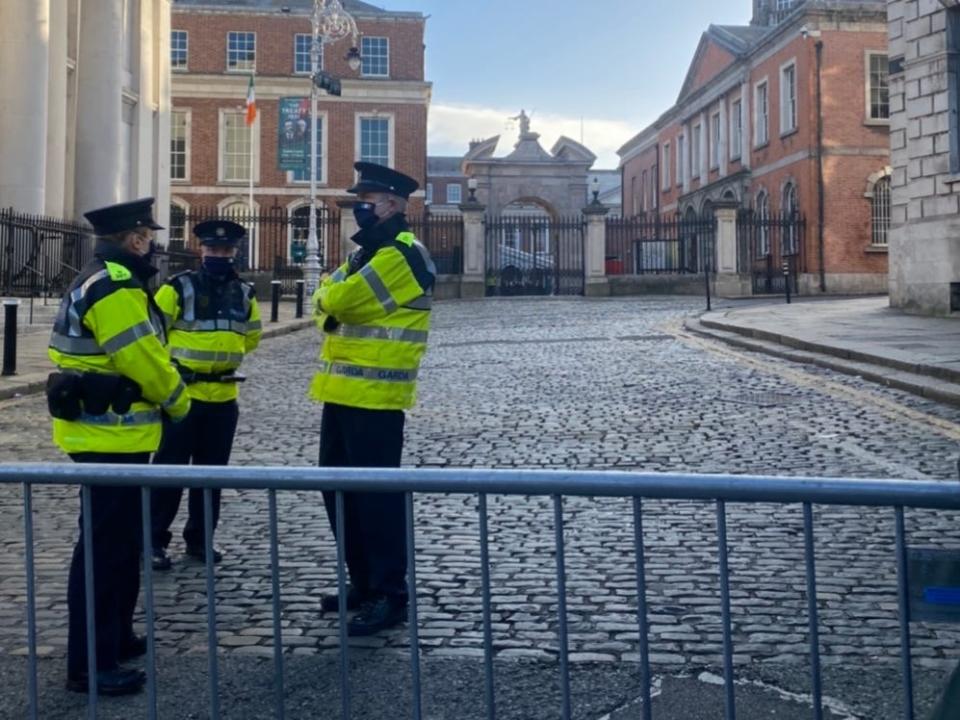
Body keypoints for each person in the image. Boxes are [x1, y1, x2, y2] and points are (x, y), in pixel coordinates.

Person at [46, 197, 191, 696]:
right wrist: (179, 402)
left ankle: (117, 636)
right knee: (105, 552)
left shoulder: (99, 278)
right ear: (133, 239)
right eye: (149, 237)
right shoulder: (117, 289)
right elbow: (144, 360)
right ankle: (90, 663)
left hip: (105, 432)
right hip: (110, 435)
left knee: (121, 544)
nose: (153, 245)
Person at [310, 161, 436, 636]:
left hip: (378, 397)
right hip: (340, 392)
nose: (359, 207)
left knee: (376, 500)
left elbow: (337, 303)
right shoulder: (367, 254)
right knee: (339, 494)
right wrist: (331, 296)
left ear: (392, 205)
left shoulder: (403, 253)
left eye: (366, 201)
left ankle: (390, 593)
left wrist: (331, 296)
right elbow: (325, 298)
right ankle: (361, 582)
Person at [150, 220, 262, 569]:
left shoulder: (244, 293)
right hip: (184, 396)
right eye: (213, 250)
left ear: (234, 253)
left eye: (226, 251)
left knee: (211, 476)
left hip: (224, 397)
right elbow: (153, 333)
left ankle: (200, 540)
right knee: (168, 473)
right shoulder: (176, 288)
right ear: (201, 250)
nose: (219, 255)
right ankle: (152, 540)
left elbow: (252, 335)